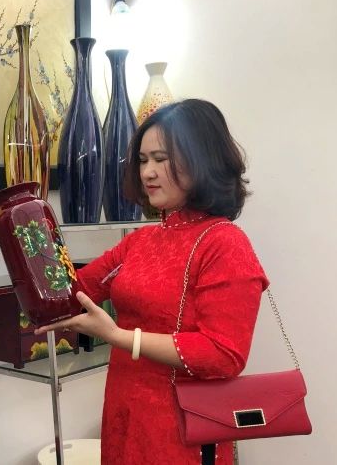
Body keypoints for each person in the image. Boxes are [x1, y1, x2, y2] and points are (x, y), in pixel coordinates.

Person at [36, 99, 269, 464]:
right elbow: (71, 291)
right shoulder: (141, 241)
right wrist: (28, 232)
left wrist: (119, 337)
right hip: (125, 411)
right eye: (143, 160)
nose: (148, 172)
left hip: (185, 429)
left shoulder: (225, 243)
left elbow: (224, 355)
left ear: (201, 159)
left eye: (161, 159)